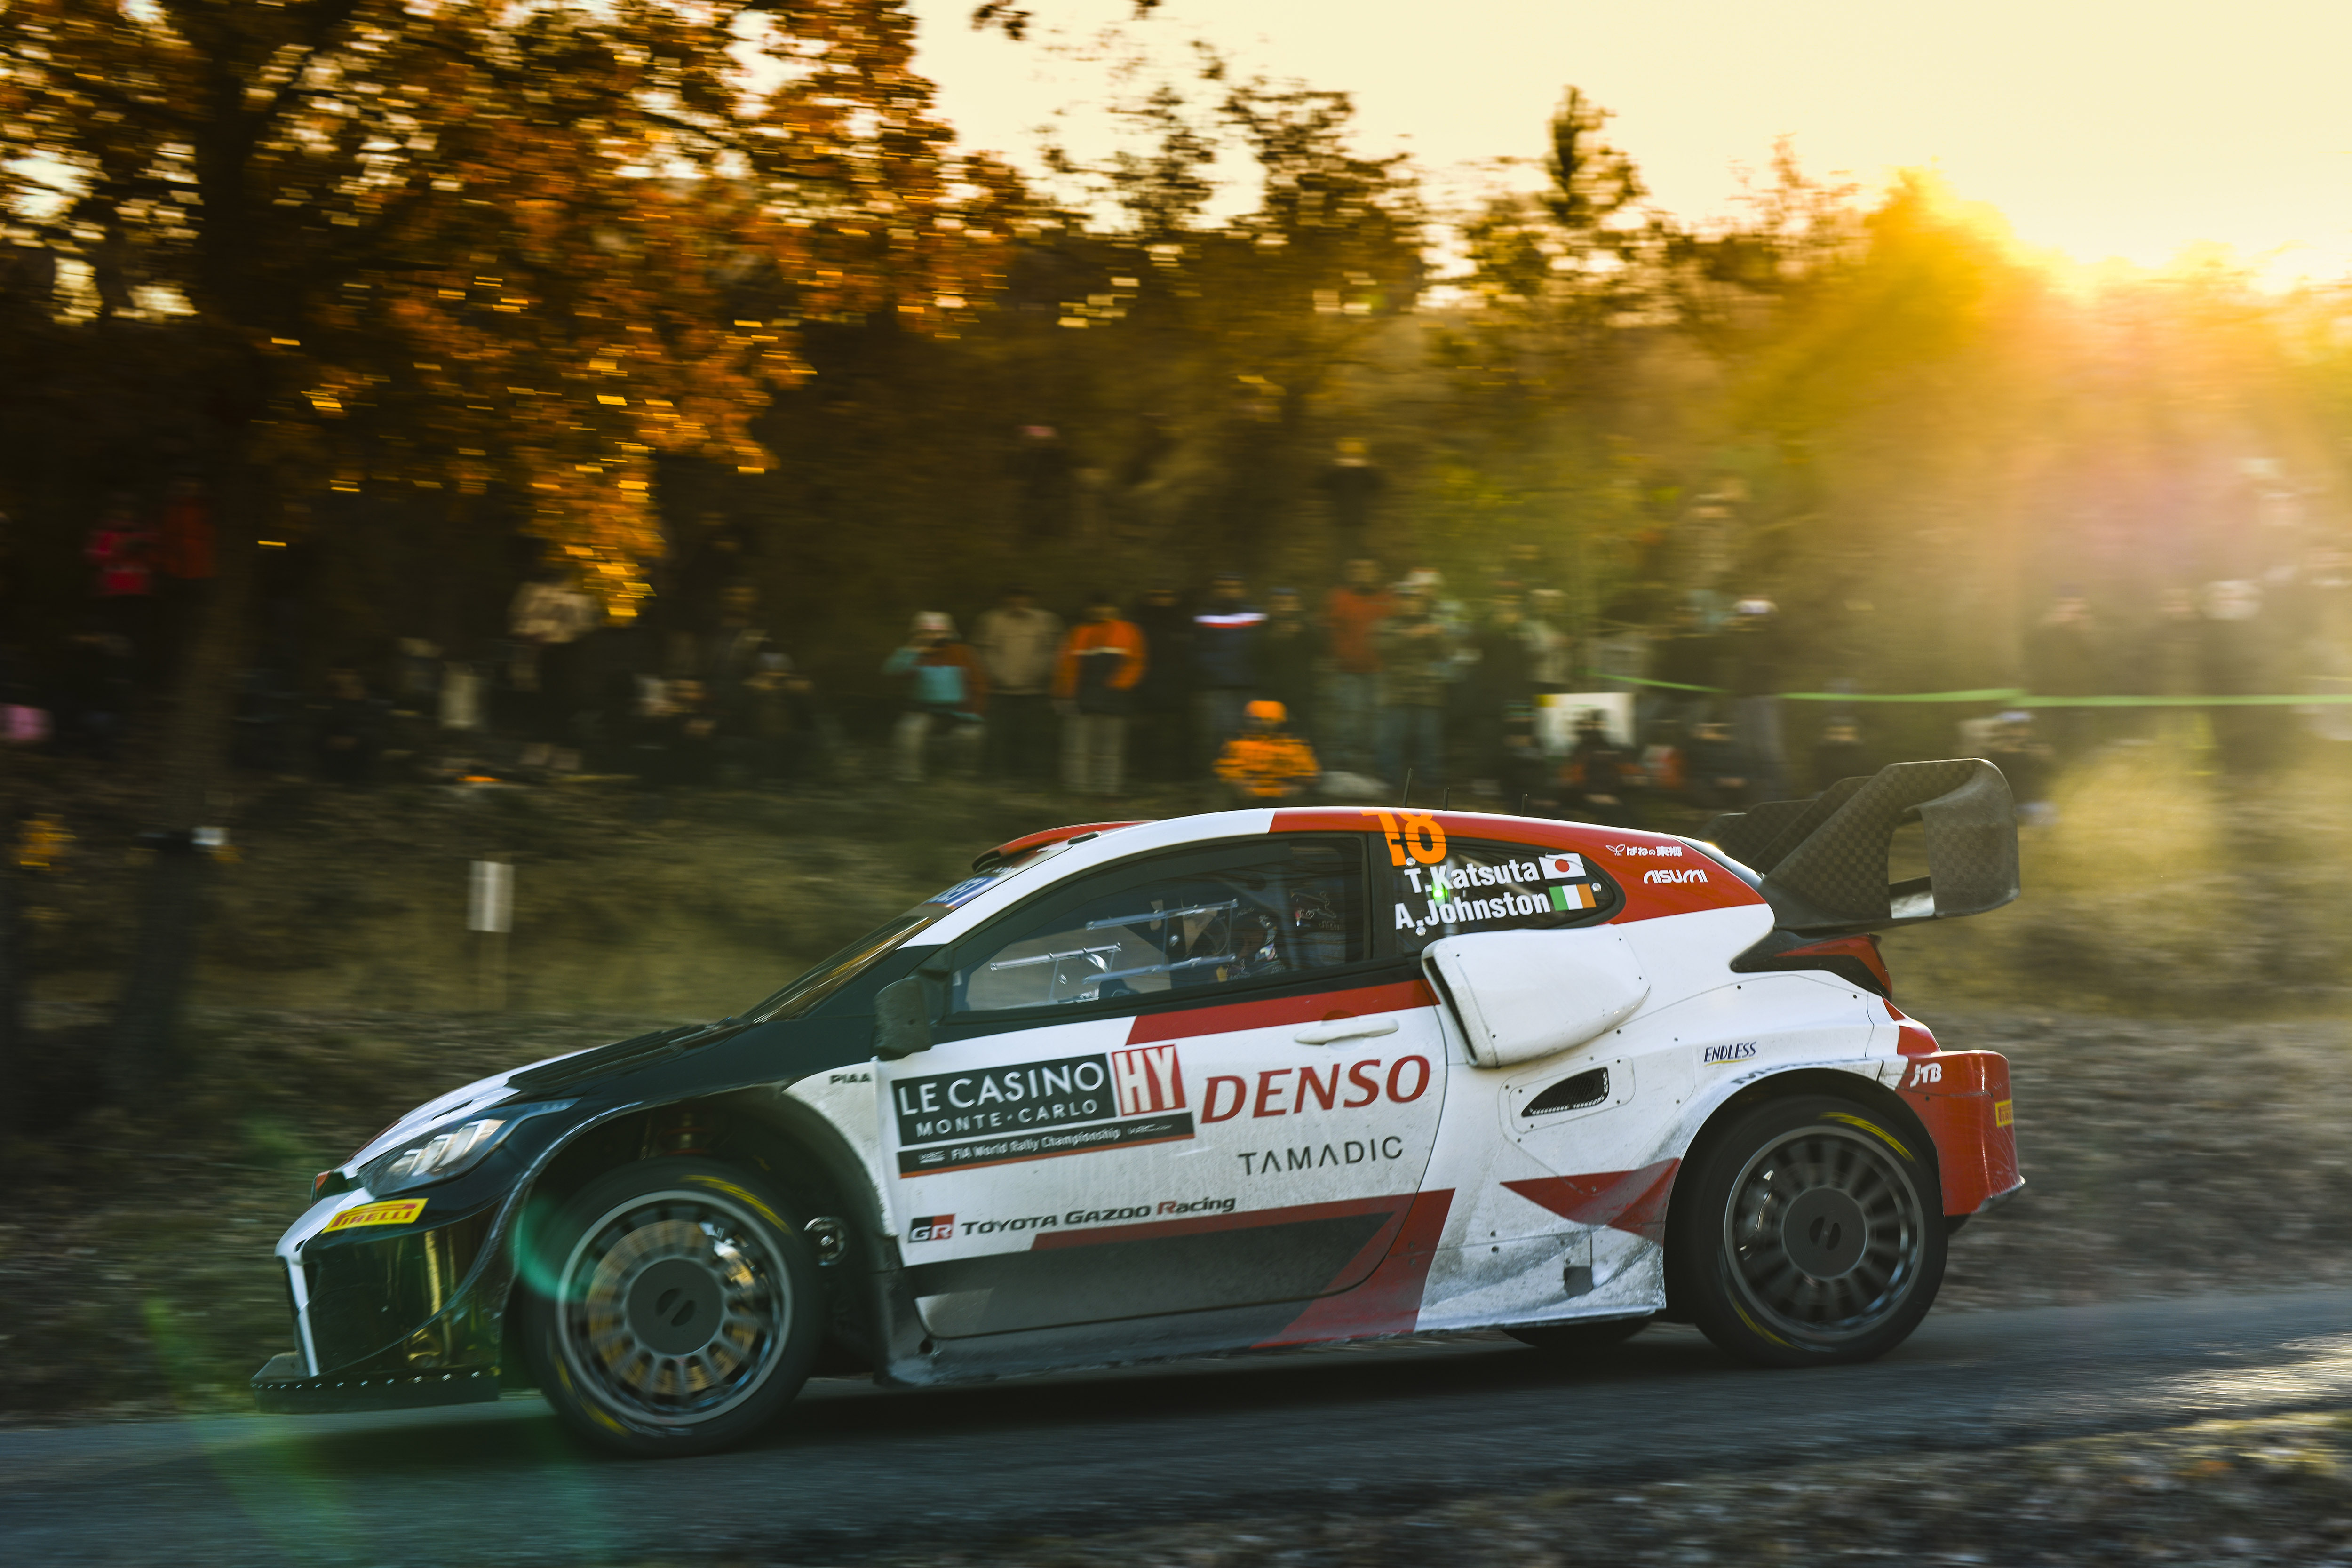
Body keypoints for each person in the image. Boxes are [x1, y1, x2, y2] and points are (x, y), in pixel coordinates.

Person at [1054, 591, 1147, 798]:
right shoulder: (1078, 632)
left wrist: (1118, 687)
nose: (1100, 610)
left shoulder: (1128, 631)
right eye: (1096, 606)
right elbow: (1066, 666)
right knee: (1077, 749)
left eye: (1105, 606)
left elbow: (1136, 663)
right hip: (1080, 699)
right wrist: (1063, 694)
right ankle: (1077, 791)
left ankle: (1107, 791)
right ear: (1088, 609)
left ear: (1115, 610)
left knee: (1110, 750)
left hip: (1115, 700)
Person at [973, 583, 1064, 783]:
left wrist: (1039, 674)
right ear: (1005, 599)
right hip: (1000, 691)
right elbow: (984, 652)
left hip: (1035, 690)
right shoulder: (991, 620)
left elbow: (1053, 652)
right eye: (1013, 597)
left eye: (1022, 597)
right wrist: (999, 676)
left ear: (1031, 599)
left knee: (1033, 736)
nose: (1018, 601)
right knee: (999, 735)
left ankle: (1032, 778)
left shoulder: (1046, 620)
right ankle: (998, 776)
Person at [883, 612, 988, 784]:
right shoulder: (915, 654)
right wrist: (912, 650)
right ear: (918, 633)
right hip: (924, 710)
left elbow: (978, 683)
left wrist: (973, 711)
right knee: (910, 730)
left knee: (971, 733)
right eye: (927, 632)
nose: (933, 636)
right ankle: (908, 775)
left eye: (939, 632)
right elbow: (893, 671)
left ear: (949, 633)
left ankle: (964, 772)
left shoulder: (962, 652)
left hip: (958, 711)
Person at [1375, 582, 1454, 793]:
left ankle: (1430, 786)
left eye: (1416, 600)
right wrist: (1410, 635)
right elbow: (1381, 648)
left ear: (1423, 603)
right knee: (1393, 740)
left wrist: (1437, 636)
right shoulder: (1388, 625)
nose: (1411, 604)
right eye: (1406, 600)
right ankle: (1391, 784)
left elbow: (1447, 653)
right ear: (1399, 603)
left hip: (1428, 695)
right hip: (1396, 694)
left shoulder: (1434, 625)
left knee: (1429, 742)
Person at [1320, 558, 1391, 773]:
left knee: (1377, 716)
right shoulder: (1340, 597)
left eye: (1369, 570)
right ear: (1351, 574)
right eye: (1358, 570)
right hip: (1348, 670)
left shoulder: (1387, 598)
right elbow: (1329, 629)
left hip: (1379, 670)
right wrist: (1337, 656)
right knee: (1349, 714)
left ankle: (1374, 761)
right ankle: (1345, 761)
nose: (1364, 574)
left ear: (1377, 573)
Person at [1191, 573, 1265, 769]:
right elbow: (1198, 649)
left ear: (1242, 590)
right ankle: (1224, 772)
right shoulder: (1205, 616)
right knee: (1222, 730)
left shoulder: (1256, 615)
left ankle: (1248, 771)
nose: (1228, 591)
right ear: (1216, 590)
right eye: (1223, 587)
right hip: (1219, 685)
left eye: (1233, 587)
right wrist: (1215, 672)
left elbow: (1264, 646)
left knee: (1250, 728)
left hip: (1249, 683)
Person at [84, 494, 156, 684]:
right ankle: (111, 674)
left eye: (129, 511)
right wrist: (121, 547)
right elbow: (95, 557)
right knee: (113, 636)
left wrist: (143, 546)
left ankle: (132, 677)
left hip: (138, 594)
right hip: (112, 594)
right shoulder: (106, 532)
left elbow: (157, 559)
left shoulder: (145, 531)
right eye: (121, 510)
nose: (125, 515)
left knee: (136, 637)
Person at [1722, 597, 1787, 801]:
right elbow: (1723, 647)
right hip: (1741, 698)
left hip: (1763, 697)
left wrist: (1769, 621)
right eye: (1748, 616)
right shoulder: (1737, 637)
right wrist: (1734, 626)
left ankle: (1777, 797)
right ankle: (1751, 798)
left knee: (1768, 750)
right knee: (1745, 749)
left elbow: (1785, 644)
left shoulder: (1771, 637)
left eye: (1756, 617)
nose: (1752, 620)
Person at [1129, 582, 1192, 783]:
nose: (1163, 600)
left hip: (1179, 690)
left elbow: (1191, 659)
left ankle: (1176, 778)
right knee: (1148, 736)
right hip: (1148, 690)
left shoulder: (1184, 625)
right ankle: (1149, 777)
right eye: (1158, 595)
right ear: (1149, 598)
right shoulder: (1140, 626)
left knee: (1179, 737)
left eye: (1168, 595)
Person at [1214, 700, 1319, 803]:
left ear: (1280, 721)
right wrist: (1241, 786)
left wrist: (1292, 790)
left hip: (1284, 802)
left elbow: (1308, 776)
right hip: (1244, 803)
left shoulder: (1295, 747)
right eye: (1256, 719)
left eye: (1269, 719)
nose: (1262, 723)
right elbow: (1226, 770)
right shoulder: (1236, 746)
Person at [1257, 586, 1321, 740]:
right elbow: (1253, 655)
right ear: (1270, 606)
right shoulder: (1262, 628)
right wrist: (1274, 637)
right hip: (1269, 695)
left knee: (1303, 738)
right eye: (1278, 603)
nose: (1284, 607)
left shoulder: (1306, 627)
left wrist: (1304, 631)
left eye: (1290, 603)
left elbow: (1322, 648)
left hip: (1301, 694)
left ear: (1298, 605)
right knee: (1270, 739)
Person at [1558, 709, 1633, 826]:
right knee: (1620, 816)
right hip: (1590, 795)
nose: (1597, 728)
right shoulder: (1582, 749)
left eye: (1599, 725)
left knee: (1629, 813)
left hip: (1609, 794)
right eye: (1593, 725)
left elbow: (1622, 770)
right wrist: (1595, 794)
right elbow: (1575, 777)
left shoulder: (1607, 747)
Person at [1685, 717, 1752, 812]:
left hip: (1735, 796)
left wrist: (1740, 780)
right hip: (1710, 797)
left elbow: (1747, 771)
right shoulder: (1698, 748)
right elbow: (1696, 773)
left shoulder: (1737, 748)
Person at [1812, 717, 1870, 791]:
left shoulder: (1862, 754)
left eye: (1845, 734)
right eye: (1834, 734)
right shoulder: (1822, 752)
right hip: (1827, 791)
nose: (1839, 738)